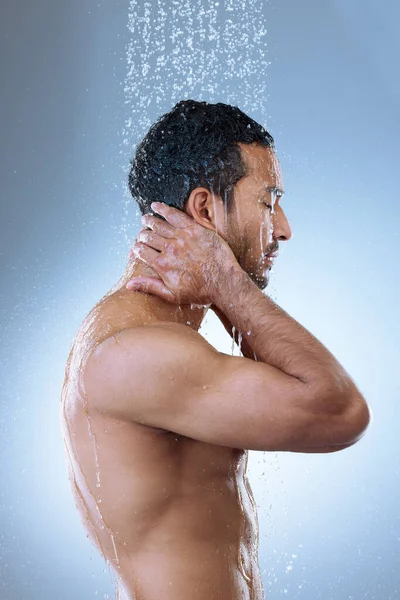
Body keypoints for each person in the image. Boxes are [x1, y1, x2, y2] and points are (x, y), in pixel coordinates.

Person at [60, 100, 370, 600]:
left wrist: (216, 282)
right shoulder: (135, 351)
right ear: (205, 208)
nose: (285, 228)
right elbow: (340, 413)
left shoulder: (160, 338)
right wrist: (225, 279)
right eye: (269, 202)